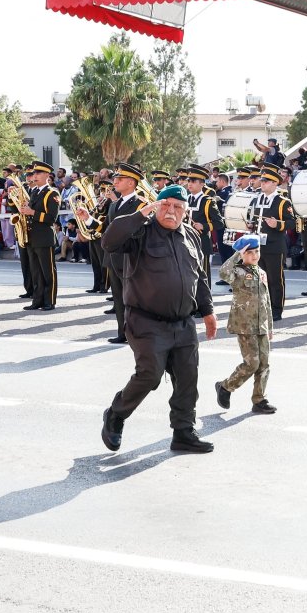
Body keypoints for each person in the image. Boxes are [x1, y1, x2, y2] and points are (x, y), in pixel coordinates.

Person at [99, 185, 218, 454]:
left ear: (186, 212)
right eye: (166, 205)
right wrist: (140, 215)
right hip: (146, 321)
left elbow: (198, 277)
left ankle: (183, 432)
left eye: (178, 207)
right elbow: (110, 242)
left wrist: (208, 311)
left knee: (188, 377)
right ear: (156, 206)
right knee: (150, 375)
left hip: (184, 322)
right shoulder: (140, 232)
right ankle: (116, 414)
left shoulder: (191, 236)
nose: (171, 211)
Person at [215, 234, 275, 415]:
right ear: (242, 254)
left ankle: (259, 400)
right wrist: (236, 255)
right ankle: (225, 387)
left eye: (256, 251)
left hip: (261, 325)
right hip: (244, 325)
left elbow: (267, 301)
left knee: (264, 364)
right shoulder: (238, 272)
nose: (254, 255)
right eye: (249, 253)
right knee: (251, 364)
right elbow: (223, 272)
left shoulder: (261, 272)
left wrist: (270, 326)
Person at [104, 163, 148, 344]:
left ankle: (137, 332)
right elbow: (106, 229)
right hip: (114, 257)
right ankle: (122, 332)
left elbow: (140, 232)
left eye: (119, 179)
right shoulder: (114, 205)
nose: (115, 181)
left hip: (131, 258)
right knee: (118, 297)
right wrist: (88, 219)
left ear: (131, 182)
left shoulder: (141, 205)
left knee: (134, 299)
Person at [254, 166, 296, 321]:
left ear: (274, 183)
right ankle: (264, 307)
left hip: (275, 245)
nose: (262, 183)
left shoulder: (282, 202)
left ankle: (277, 309)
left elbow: (293, 222)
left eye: (266, 181)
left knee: (275, 278)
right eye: (262, 180)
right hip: (259, 245)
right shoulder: (258, 199)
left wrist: (277, 224)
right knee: (261, 279)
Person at [23, 161, 61, 310]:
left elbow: (52, 218)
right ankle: (37, 300)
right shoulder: (34, 192)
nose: (34, 176)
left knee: (48, 271)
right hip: (32, 237)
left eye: (38, 173)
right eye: (33, 173)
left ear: (47, 175)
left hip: (44, 237)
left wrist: (32, 212)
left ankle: (49, 300)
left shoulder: (52, 193)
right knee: (36, 271)